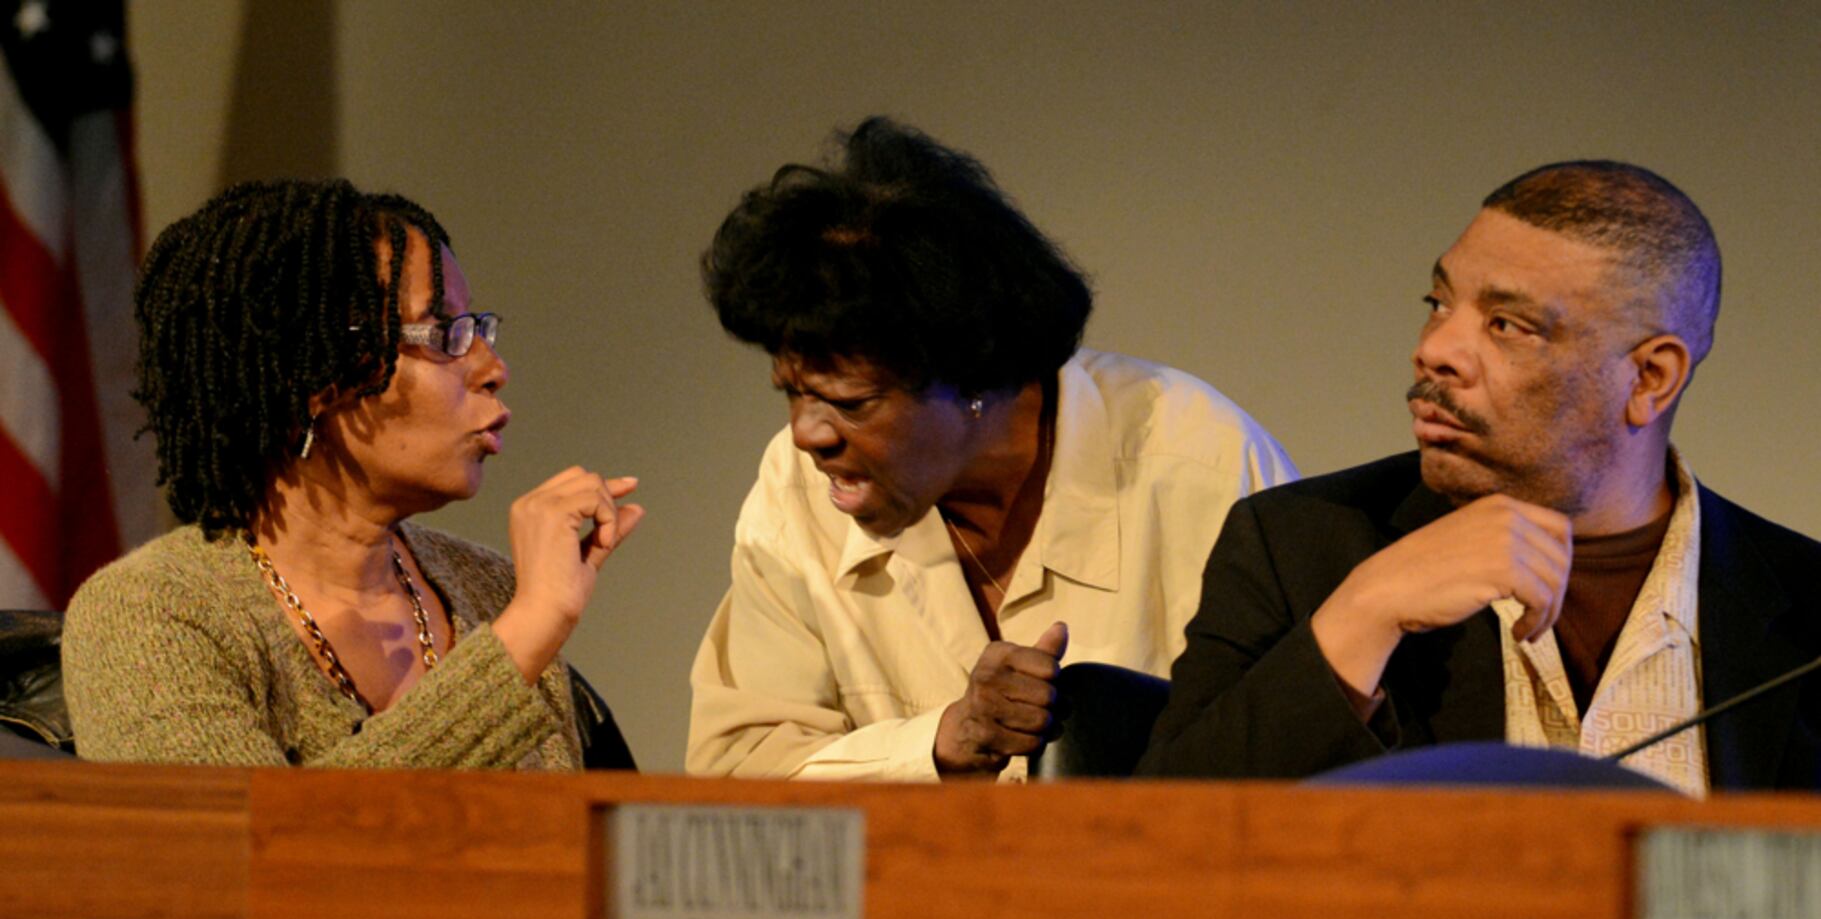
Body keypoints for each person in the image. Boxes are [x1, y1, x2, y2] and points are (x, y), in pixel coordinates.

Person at [1140, 161, 1821, 794]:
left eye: (1507, 325)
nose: (1434, 350)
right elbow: (1161, 838)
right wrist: (1366, 613)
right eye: (1438, 302)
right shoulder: (1300, 546)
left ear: (1649, 378)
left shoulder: (1806, 606)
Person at [688, 118, 1296, 782]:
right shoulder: (793, 490)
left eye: (852, 402)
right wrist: (940, 743)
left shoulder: (1200, 465)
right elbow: (737, 771)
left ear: (975, 374)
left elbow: (1306, 751)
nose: (807, 434)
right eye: (793, 392)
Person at [62, 179, 643, 769]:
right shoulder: (151, 612)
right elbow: (255, 828)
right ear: (315, 377)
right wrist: (525, 633)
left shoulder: (489, 589)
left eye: (477, 329)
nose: (494, 368)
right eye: (444, 333)